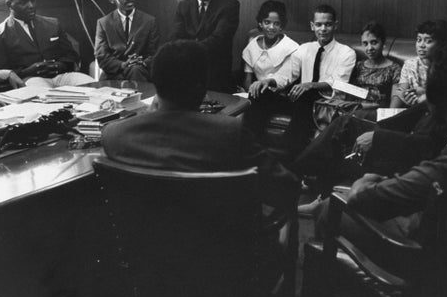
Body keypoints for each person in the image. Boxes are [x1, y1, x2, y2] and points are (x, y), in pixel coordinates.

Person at [314, 37, 447, 242]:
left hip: (416, 252)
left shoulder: (441, 172)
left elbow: (359, 200)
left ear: (433, 100)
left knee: (328, 208)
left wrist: (367, 179)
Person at [101, 39, 300, 213]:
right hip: (220, 251)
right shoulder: (231, 133)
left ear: (155, 82)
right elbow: (287, 188)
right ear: (203, 88)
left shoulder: (114, 135)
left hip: (142, 251)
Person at [262, 4, 356, 158]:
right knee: (260, 94)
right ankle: (248, 147)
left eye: (328, 24)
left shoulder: (346, 53)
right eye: (319, 24)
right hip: (302, 104)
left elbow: (340, 83)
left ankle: (286, 152)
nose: (323, 29)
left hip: (326, 105)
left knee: (308, 93)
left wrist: (312, 85)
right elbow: (287, 74)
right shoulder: (304, 49)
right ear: (312, 26)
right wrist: (268, 81)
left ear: (335, 25)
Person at [0, 0, 94, 87]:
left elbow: (71, 56)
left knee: (92, 86)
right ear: (9, 5)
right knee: (43, 96)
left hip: (61, 76)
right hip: (30, 79)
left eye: (32, 0)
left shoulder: (53, 24)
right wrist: (29, 71)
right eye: (23, 2)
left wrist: (59, 65)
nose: (31, 6)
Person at [172, 0, 240, 93]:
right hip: (188, 72)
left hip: (216, 75)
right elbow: (175, 38)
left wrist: (188, 51)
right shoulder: (183, 6)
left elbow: (218, 40)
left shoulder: (230, 4)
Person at [94, 0, 160, 81]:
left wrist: (142, 62)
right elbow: (102, 57)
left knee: (136, 71)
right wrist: (123, 65)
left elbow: (154, 55)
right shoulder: (103, 23)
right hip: (113, 76)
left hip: (140, 73)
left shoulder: (149, 21)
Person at [242, 0, 299, 97]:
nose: (271, 27)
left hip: (281, 95)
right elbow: (248, 79)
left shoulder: (291, 47)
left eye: (276, 23)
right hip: (256, 94)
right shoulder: (252, 46)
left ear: (281, 26)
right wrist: (249, 92)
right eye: (267, 22)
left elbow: (284, 78)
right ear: (260, 23)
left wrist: (266, 82)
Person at [390, 20, 447, 108]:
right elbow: (401, 90)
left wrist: (424, 93)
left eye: (428, 41)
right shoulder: (409, 64)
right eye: (419, 40)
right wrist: (404, 96)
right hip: (414, 110)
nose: (421, 45)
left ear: (440, 44)